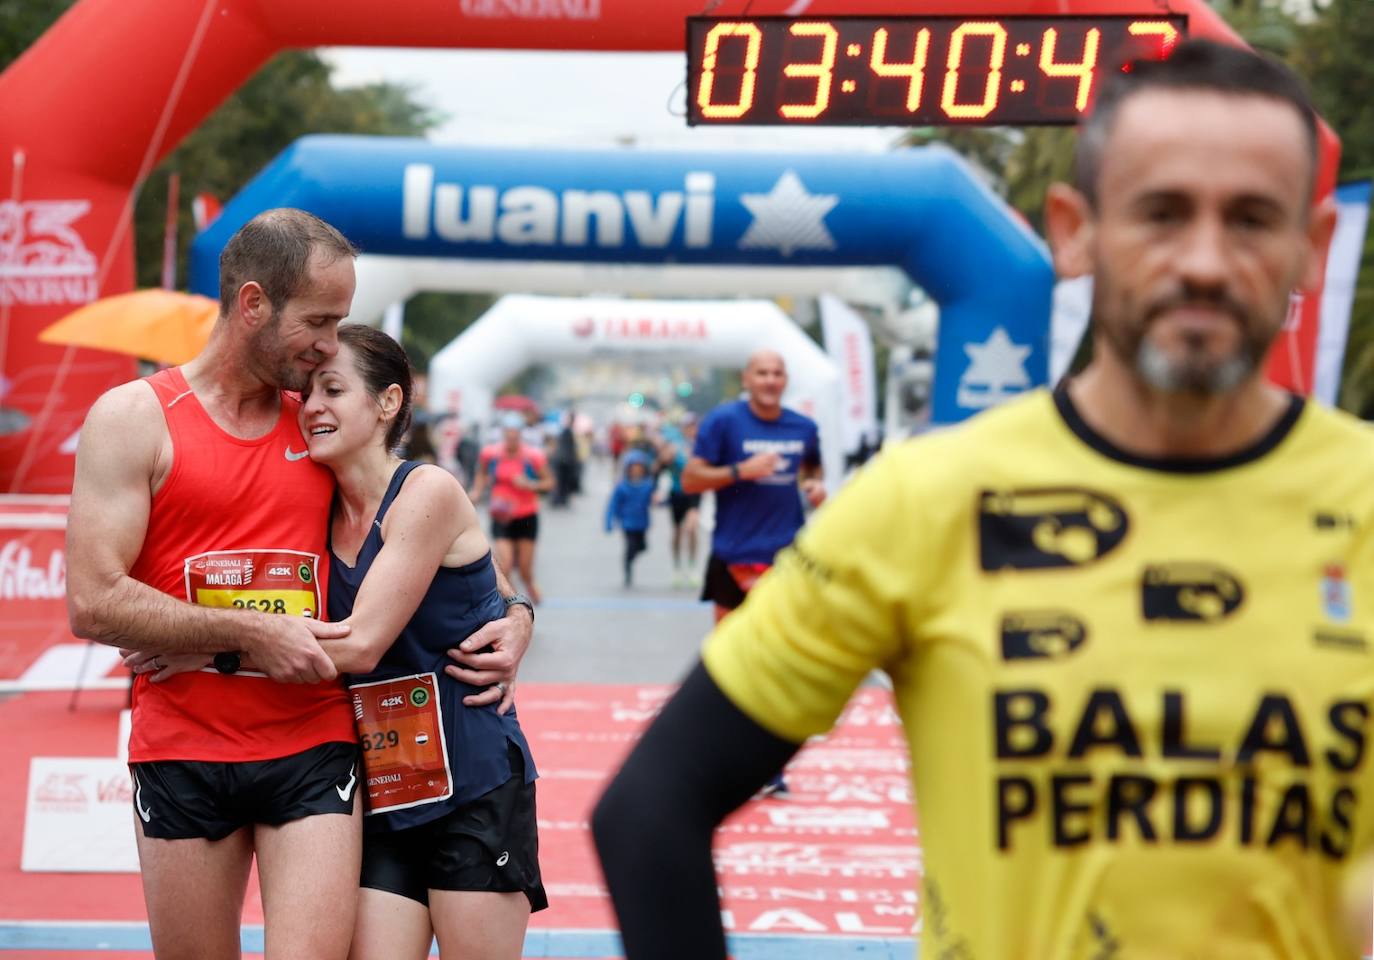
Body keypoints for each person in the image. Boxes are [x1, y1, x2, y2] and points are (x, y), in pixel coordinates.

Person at [592, 39, 1368, 959]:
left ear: (1310, 247)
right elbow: (649, 811)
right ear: (1076, 230)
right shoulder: (928, 498)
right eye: (1161, 214)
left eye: (1250, 219)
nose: (1203, 261)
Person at [65, 209, 529, 960]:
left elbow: (437, 528)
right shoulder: (133, 420)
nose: (328, 343)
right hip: (181, 746)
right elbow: (93, 600)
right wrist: (246, 634)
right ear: (253, 304)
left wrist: (516, 611)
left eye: (339, 320)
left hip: (313, 745)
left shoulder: (320, 424)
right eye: (318, 319)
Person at [303, 324, 545, 959]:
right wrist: (517, 608)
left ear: (387, 403)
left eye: (332, 388)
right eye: (305, 393)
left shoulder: (427, 490)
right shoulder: (312, 506)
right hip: (385, 784)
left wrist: (212, 646)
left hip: (474, 779)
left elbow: (360, 646)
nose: (311, 407)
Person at [682, 348, 826, 797]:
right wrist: (740, 470)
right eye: (761, 372)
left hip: (786, 560)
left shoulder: (803, 428)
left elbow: (811, 466)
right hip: (732, 556)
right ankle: (719, 759)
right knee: (729, 663)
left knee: (781, 662)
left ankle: (769, 766)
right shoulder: (724, 422)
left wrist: (814, 485)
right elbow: (690, 480)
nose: (769, 379)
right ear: (747, 378)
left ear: (786, 380)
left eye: (777, 373)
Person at [471, 411, 554, 604]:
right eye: (508, 435)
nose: (511, 439)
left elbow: (550, 482)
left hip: (526, 515)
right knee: (505, 565)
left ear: (520, 434)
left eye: (515, 435)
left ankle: (529, 582)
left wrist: (531, 485)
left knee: (525, 569)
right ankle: (516, 605)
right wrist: (476, 491)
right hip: (501, 515)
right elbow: (482, 474)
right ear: (503, 434)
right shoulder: (490, 454)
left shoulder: (533, 456)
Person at [659, 416, 702, 589]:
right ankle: (677, 567)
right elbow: (661, 464)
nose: (691, 429)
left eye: (693, 426)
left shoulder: (701, 444)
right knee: (677, 531)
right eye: (688, 426)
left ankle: (692, 567)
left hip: (695, 491)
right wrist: (667, 455)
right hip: (677, 491)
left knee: (691, 528)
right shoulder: (674, 444)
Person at [605, 449, 656, 588]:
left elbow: (653, 500)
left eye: (639, 469)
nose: (636, 471)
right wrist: (609, 522)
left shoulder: (647, 485)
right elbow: (613, 505)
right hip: (627, 523)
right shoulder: (622, 487)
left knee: (642, 546)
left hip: (642, 523)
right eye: (633, 468)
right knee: (630, 547)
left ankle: (630, 558)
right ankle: (627, 568)